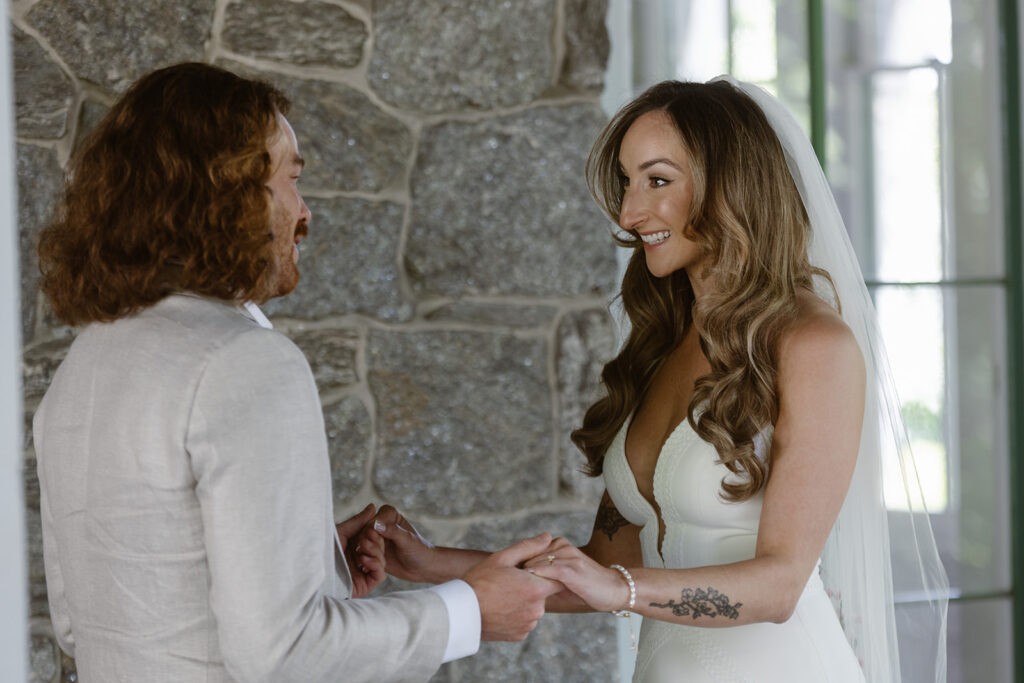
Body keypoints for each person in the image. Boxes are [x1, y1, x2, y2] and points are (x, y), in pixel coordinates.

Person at [363, 78, 948, 682]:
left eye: (658, 181)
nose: (629, 212)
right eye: (627, 181)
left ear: (729, 185)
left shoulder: (812, 345)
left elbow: (780, 585)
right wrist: (435, 564)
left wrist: (617, 587)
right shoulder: (660, 344)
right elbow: (599, 566)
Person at [32, 62, 560, 683]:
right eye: (290, 181)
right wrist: (470, 608)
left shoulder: (85, 363)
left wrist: (314, 561)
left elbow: (84, 617)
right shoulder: (243, 361)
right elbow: (285, 655)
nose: (304, 212)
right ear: (226, 194)